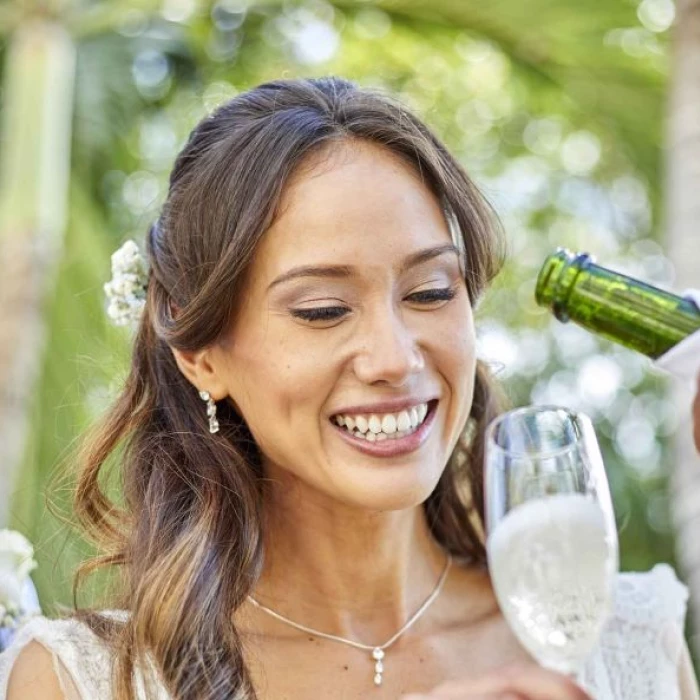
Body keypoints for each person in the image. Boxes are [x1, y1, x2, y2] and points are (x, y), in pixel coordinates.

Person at [0, 77, 697, 700]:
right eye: (323, 310)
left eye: (429, 291)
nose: (394, 358)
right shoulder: (84, 680)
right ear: (201, 353)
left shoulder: (627, 644)